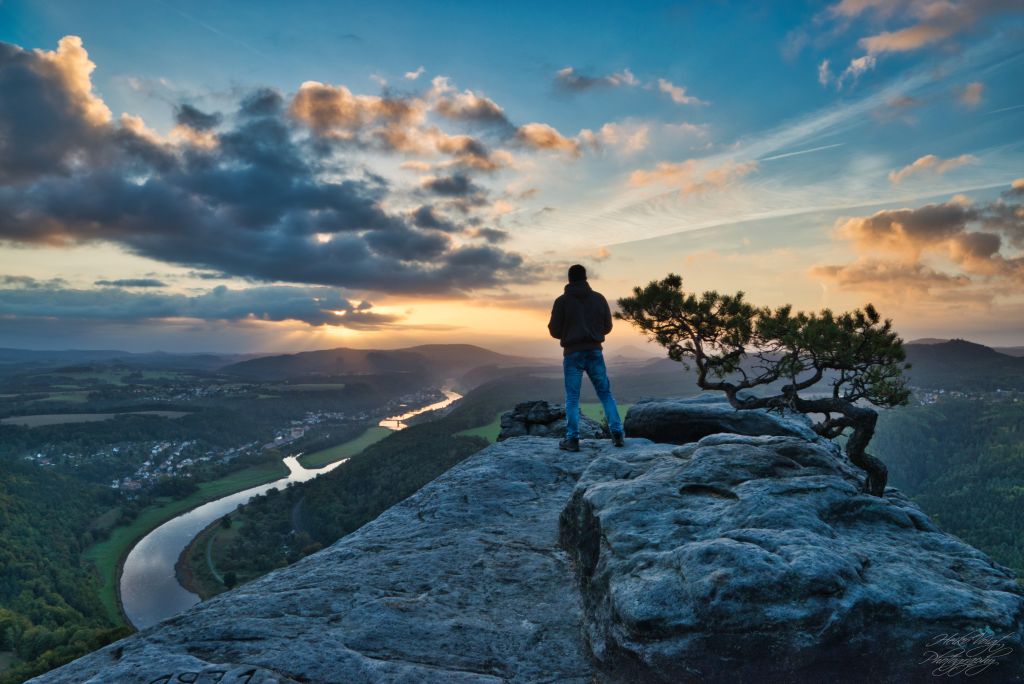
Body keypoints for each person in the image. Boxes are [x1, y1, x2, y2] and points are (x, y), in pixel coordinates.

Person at [547, 264, 625, 451]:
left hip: (572, 353)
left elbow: (554, 330)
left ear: (569, 279)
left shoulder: (562, 302)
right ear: (585, 278)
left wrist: (570, 332)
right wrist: (593, 332)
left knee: (572, 398)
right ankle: (618, 434)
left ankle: (572, 439)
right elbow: (607, 327)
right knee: (605, 393)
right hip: (595, 351)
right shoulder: (599, 299)